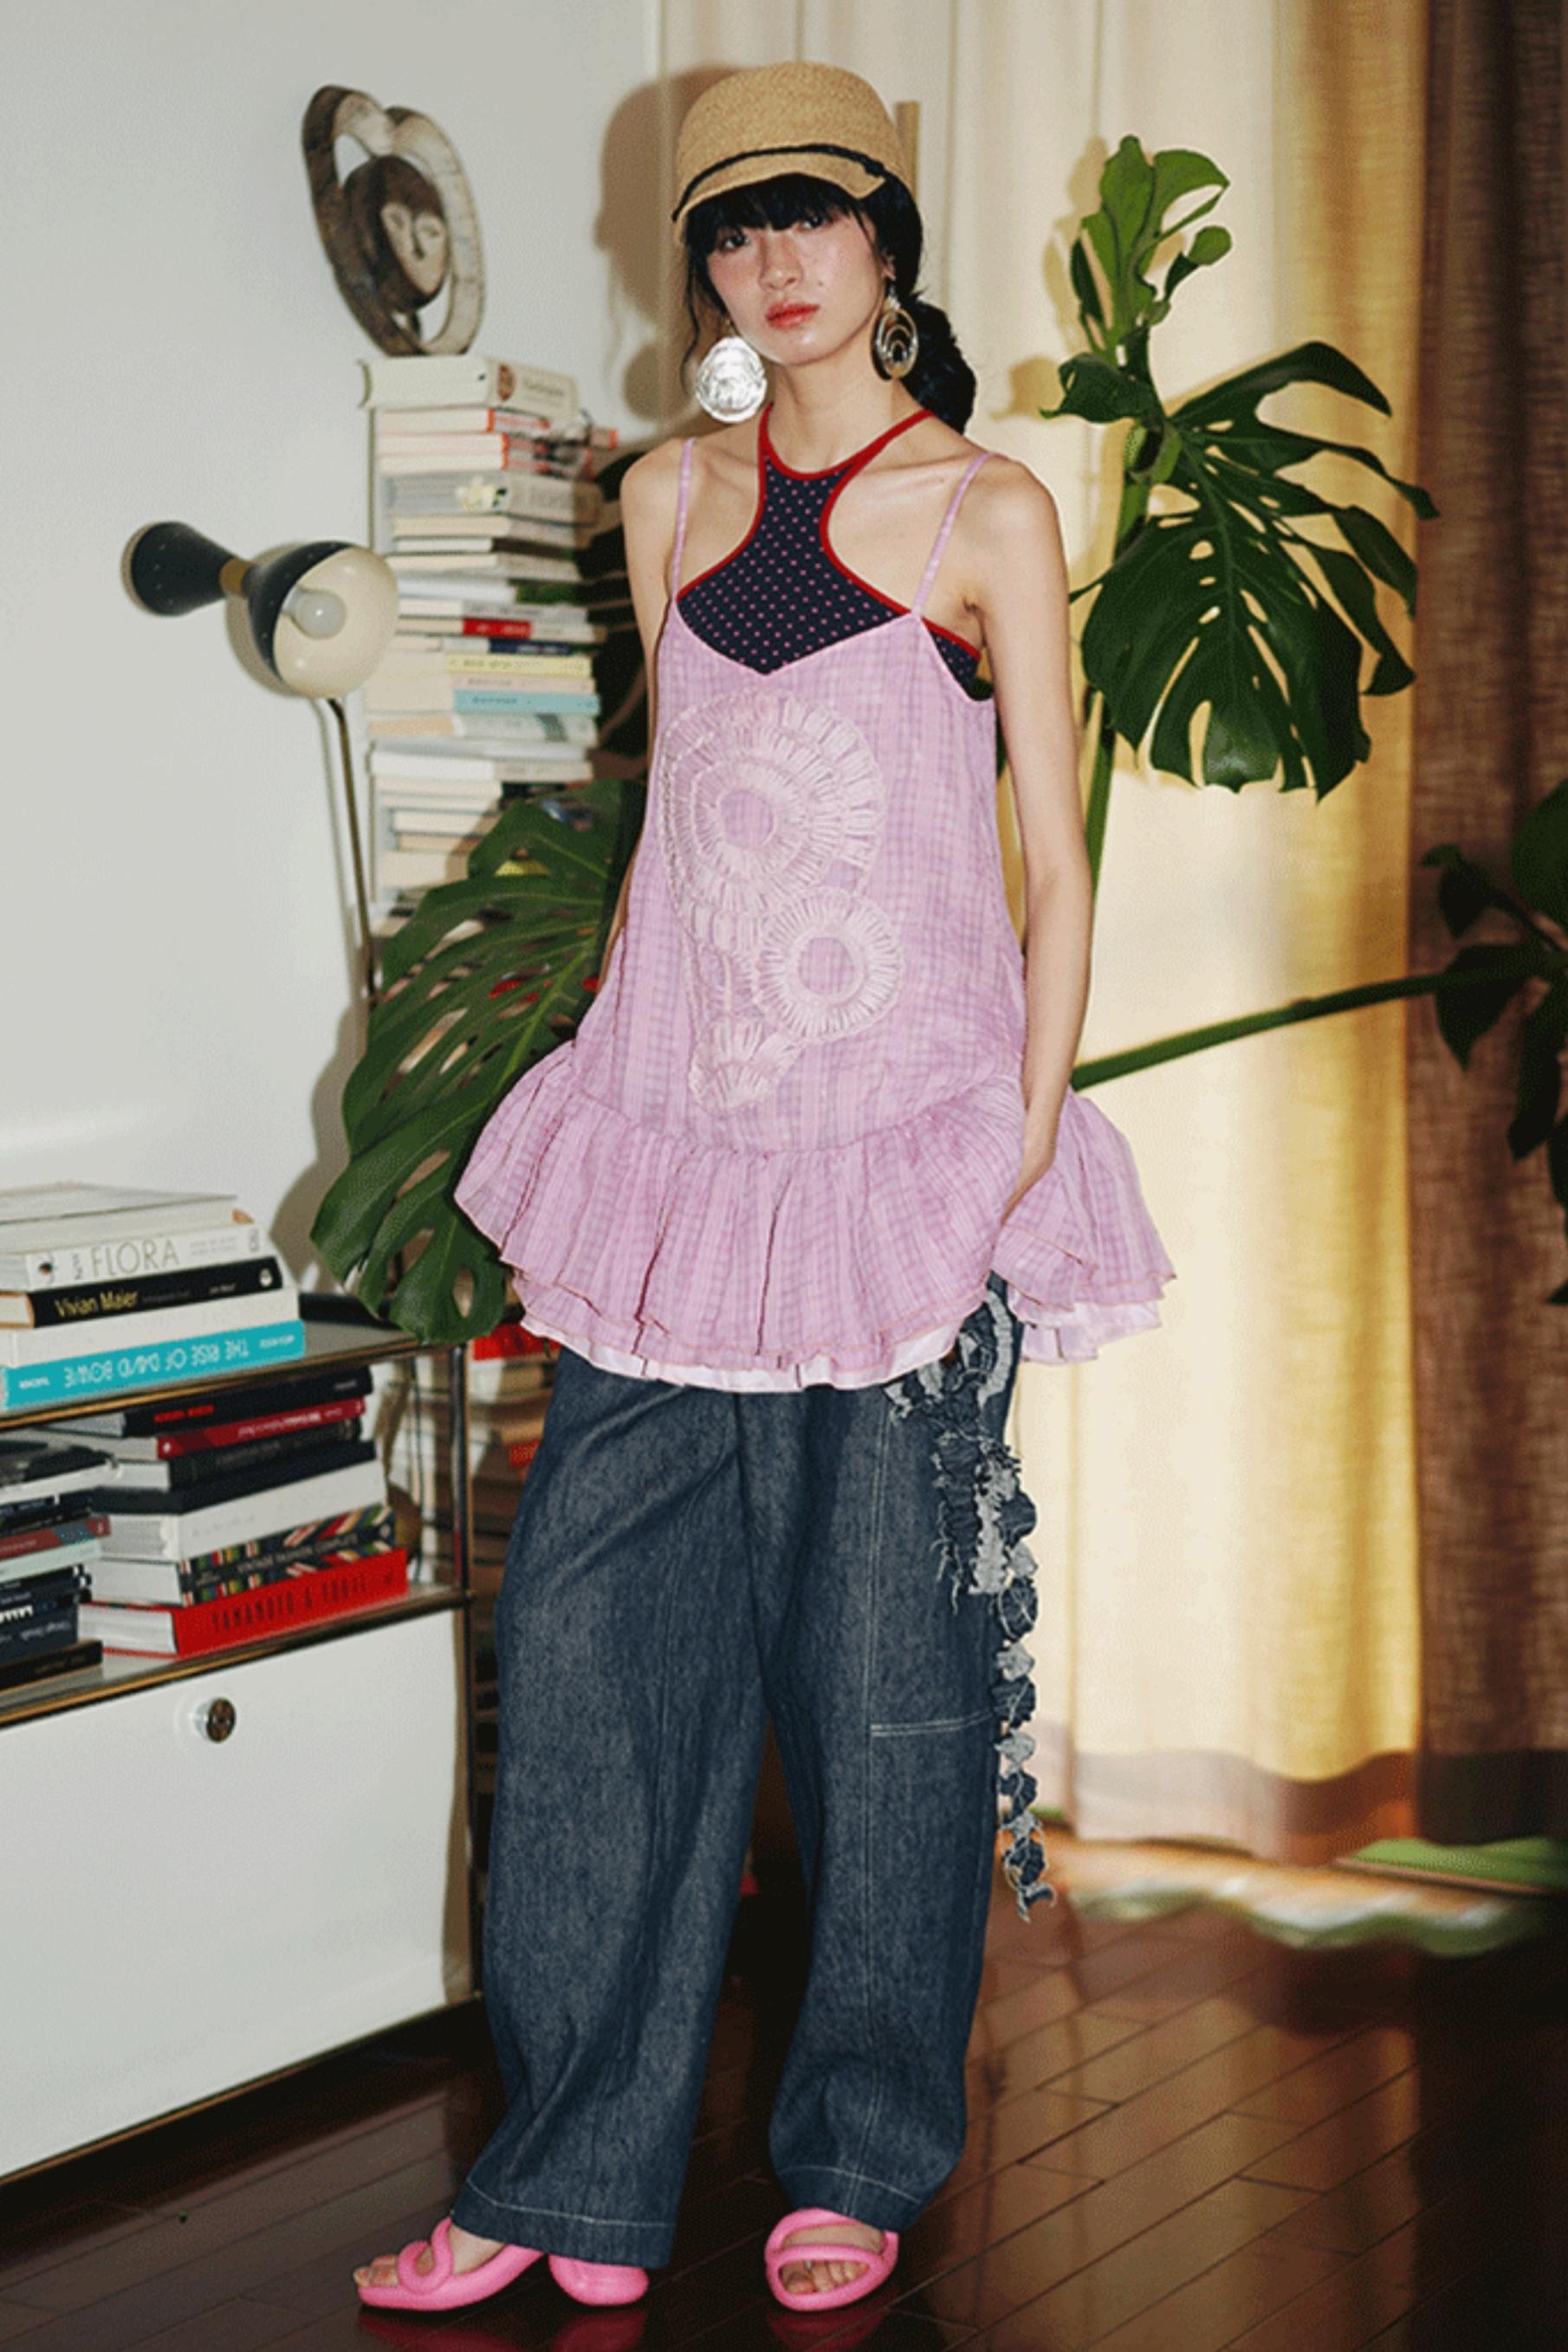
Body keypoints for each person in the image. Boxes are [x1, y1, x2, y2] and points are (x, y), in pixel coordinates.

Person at [353, 58, 1175, 2322]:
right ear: (702, 270)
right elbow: (677, 823)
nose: (773, 260)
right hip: (680, 1173)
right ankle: (566, 2179)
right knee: (591, 1668)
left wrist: (1022, 1133)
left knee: (887, 1686)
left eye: (813, 215)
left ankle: (861, 2150)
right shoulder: (661, 496)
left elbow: (1051, 857)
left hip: (903, 1175)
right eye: (733, 228)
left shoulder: (985, 511)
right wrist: (615, 1081)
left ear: (885, 243)